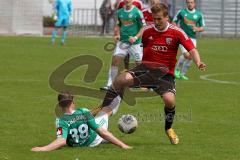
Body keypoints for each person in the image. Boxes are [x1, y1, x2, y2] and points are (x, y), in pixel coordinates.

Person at [95, 3, 206, 145]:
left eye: (159, 19)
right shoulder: (147, 31)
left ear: (167, 17)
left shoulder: (176, 32)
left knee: (169, 100)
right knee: (119, 80)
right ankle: (102, 107)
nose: (156, 22)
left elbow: (192, 50)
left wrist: (198, 62)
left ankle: (169, 129)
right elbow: (141, 49)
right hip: (145, 70)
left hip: (165, 75)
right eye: (154, 19)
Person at [31, 92, 131, 152]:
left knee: (97, 117)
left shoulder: (60, 120)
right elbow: (102, 132)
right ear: (73, 101)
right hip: (93, 141)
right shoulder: (84, 112)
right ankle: (119, 95)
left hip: (77, 144)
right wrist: (122, 145)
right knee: (106, 110)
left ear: (60, 105)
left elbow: (61, 141)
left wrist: (43, 148)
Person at [100, 0, 146, 91]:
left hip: (135, 44)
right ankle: (110, 84)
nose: (127, 0)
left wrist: (135, 37)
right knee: (115, 61)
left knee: (139, 64)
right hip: (122, 42)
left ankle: (147, 82)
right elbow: (118, 25)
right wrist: (116, 34)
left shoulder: (137, 12)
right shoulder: (120, 12)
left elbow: (143, 26)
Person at [173, 0, 205, 80]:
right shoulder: (181, 12)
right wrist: (177, 29)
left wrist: (197, 29)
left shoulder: (199, 14)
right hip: (183, 37)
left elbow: (202, 28)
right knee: (187, 55)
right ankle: (177, 70)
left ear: (194, 3)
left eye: (191, 2)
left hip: (193, 38)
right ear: (186, 3)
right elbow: (174, 22)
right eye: (188, 2)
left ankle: (182, 74)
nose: (190, 4)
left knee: (191, 56)